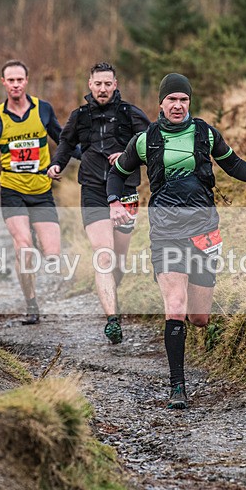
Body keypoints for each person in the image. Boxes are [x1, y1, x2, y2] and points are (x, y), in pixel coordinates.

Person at [107, 73, 246, 409]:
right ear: (160, 103)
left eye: (184, 100)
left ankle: (199, 321)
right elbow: (117, 173)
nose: (178, 105)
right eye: (172, 100)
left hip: (205, 228)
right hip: (166, 232)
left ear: (190, 103)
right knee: (175, 307)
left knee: (199, 317)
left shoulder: (204, 133)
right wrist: (115, 202)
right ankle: (178, 387)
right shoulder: (146, 139)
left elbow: (232, 163)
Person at [48, 62, 150, 344]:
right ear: (89, 85)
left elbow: (152, 143)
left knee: (118, 260)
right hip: (92, 189)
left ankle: (110, 292)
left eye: (108, 83)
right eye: (98, 84)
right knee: (103, 254)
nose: (102, 89)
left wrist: (129, 155)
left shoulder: (131, 114)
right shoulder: (79, 116)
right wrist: (56, 165)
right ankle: (113, 321)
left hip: (126, 189)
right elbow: (66, 144)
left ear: (115, 84)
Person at [0, 60, 65, 324]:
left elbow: (64, 141)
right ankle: (31, 304)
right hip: (12, 190)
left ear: (27, 81)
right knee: (24, 248)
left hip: (42, 190)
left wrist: (80, 160)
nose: (16, 85)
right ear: (3, 83)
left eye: (20, 80)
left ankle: (36, 236)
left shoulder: (43, 110)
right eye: (11, 80)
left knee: (52, 254)